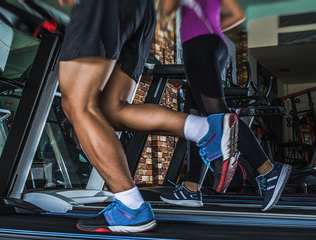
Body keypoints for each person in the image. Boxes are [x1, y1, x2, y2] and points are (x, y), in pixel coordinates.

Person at [57, 0, 238, 233]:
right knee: (113, 110)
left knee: (77, 105)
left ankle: (129, 206)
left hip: (103, 7)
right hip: (141, 12)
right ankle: (204, 129)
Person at [159, 0, 292, 212]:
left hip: (198, 43)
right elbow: (238, 15)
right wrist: (213, 26)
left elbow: (165, 9)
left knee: (219, 117)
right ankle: (192, 188)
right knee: (195, 117)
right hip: (212, 43)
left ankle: (268, 170)